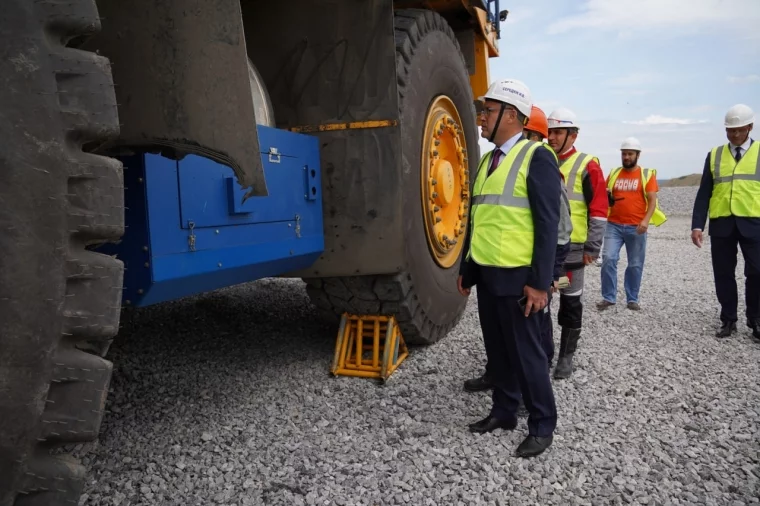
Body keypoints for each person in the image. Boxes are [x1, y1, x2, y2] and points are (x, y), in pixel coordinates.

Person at [458, 79, 561, 457]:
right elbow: (479, 215)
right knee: (498, 351)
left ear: (511, 115)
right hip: (488, 275)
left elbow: (548, 225)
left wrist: (540, 283)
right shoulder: (488, 160)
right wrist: (468, 271)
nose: (481, 117)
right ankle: (503, 412)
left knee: (528, 355)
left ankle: (542, 424)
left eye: (487, 111)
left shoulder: (537, 157)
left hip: (520, 280)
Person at [546, 107, 608, 379]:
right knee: (542, 299)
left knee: (570, 301)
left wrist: (593, 248)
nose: (552, 137)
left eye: (558, 132)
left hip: (573, 251)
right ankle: (544, 352)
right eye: (549, 131)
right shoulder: (542, 158)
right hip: (545, 251)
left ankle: (566, 356)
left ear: (573, 134)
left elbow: (598, 208)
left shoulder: (587, 164)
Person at [691, 104, 760, 339]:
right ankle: (728, 319)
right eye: (730, 130)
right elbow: (704, 193)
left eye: (739, 130)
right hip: (722, 225)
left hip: (754, 224)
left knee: (757, 272)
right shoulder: (715, 155)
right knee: (723, 274)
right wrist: (697, 225)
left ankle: (756, 319)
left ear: (750, 127)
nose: (734, 135)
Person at [597, 137, 667, 311]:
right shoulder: (614, 174)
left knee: (635, 264)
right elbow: (604, 195)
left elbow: (652, 201)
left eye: (630, 154)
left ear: (637, 155)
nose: (626, 157)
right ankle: (608, 297)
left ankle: (632, 298)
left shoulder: (646, 175)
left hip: (636, 227)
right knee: (608, 258)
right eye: (624, 154)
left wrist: (645, 221)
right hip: (613, 225)